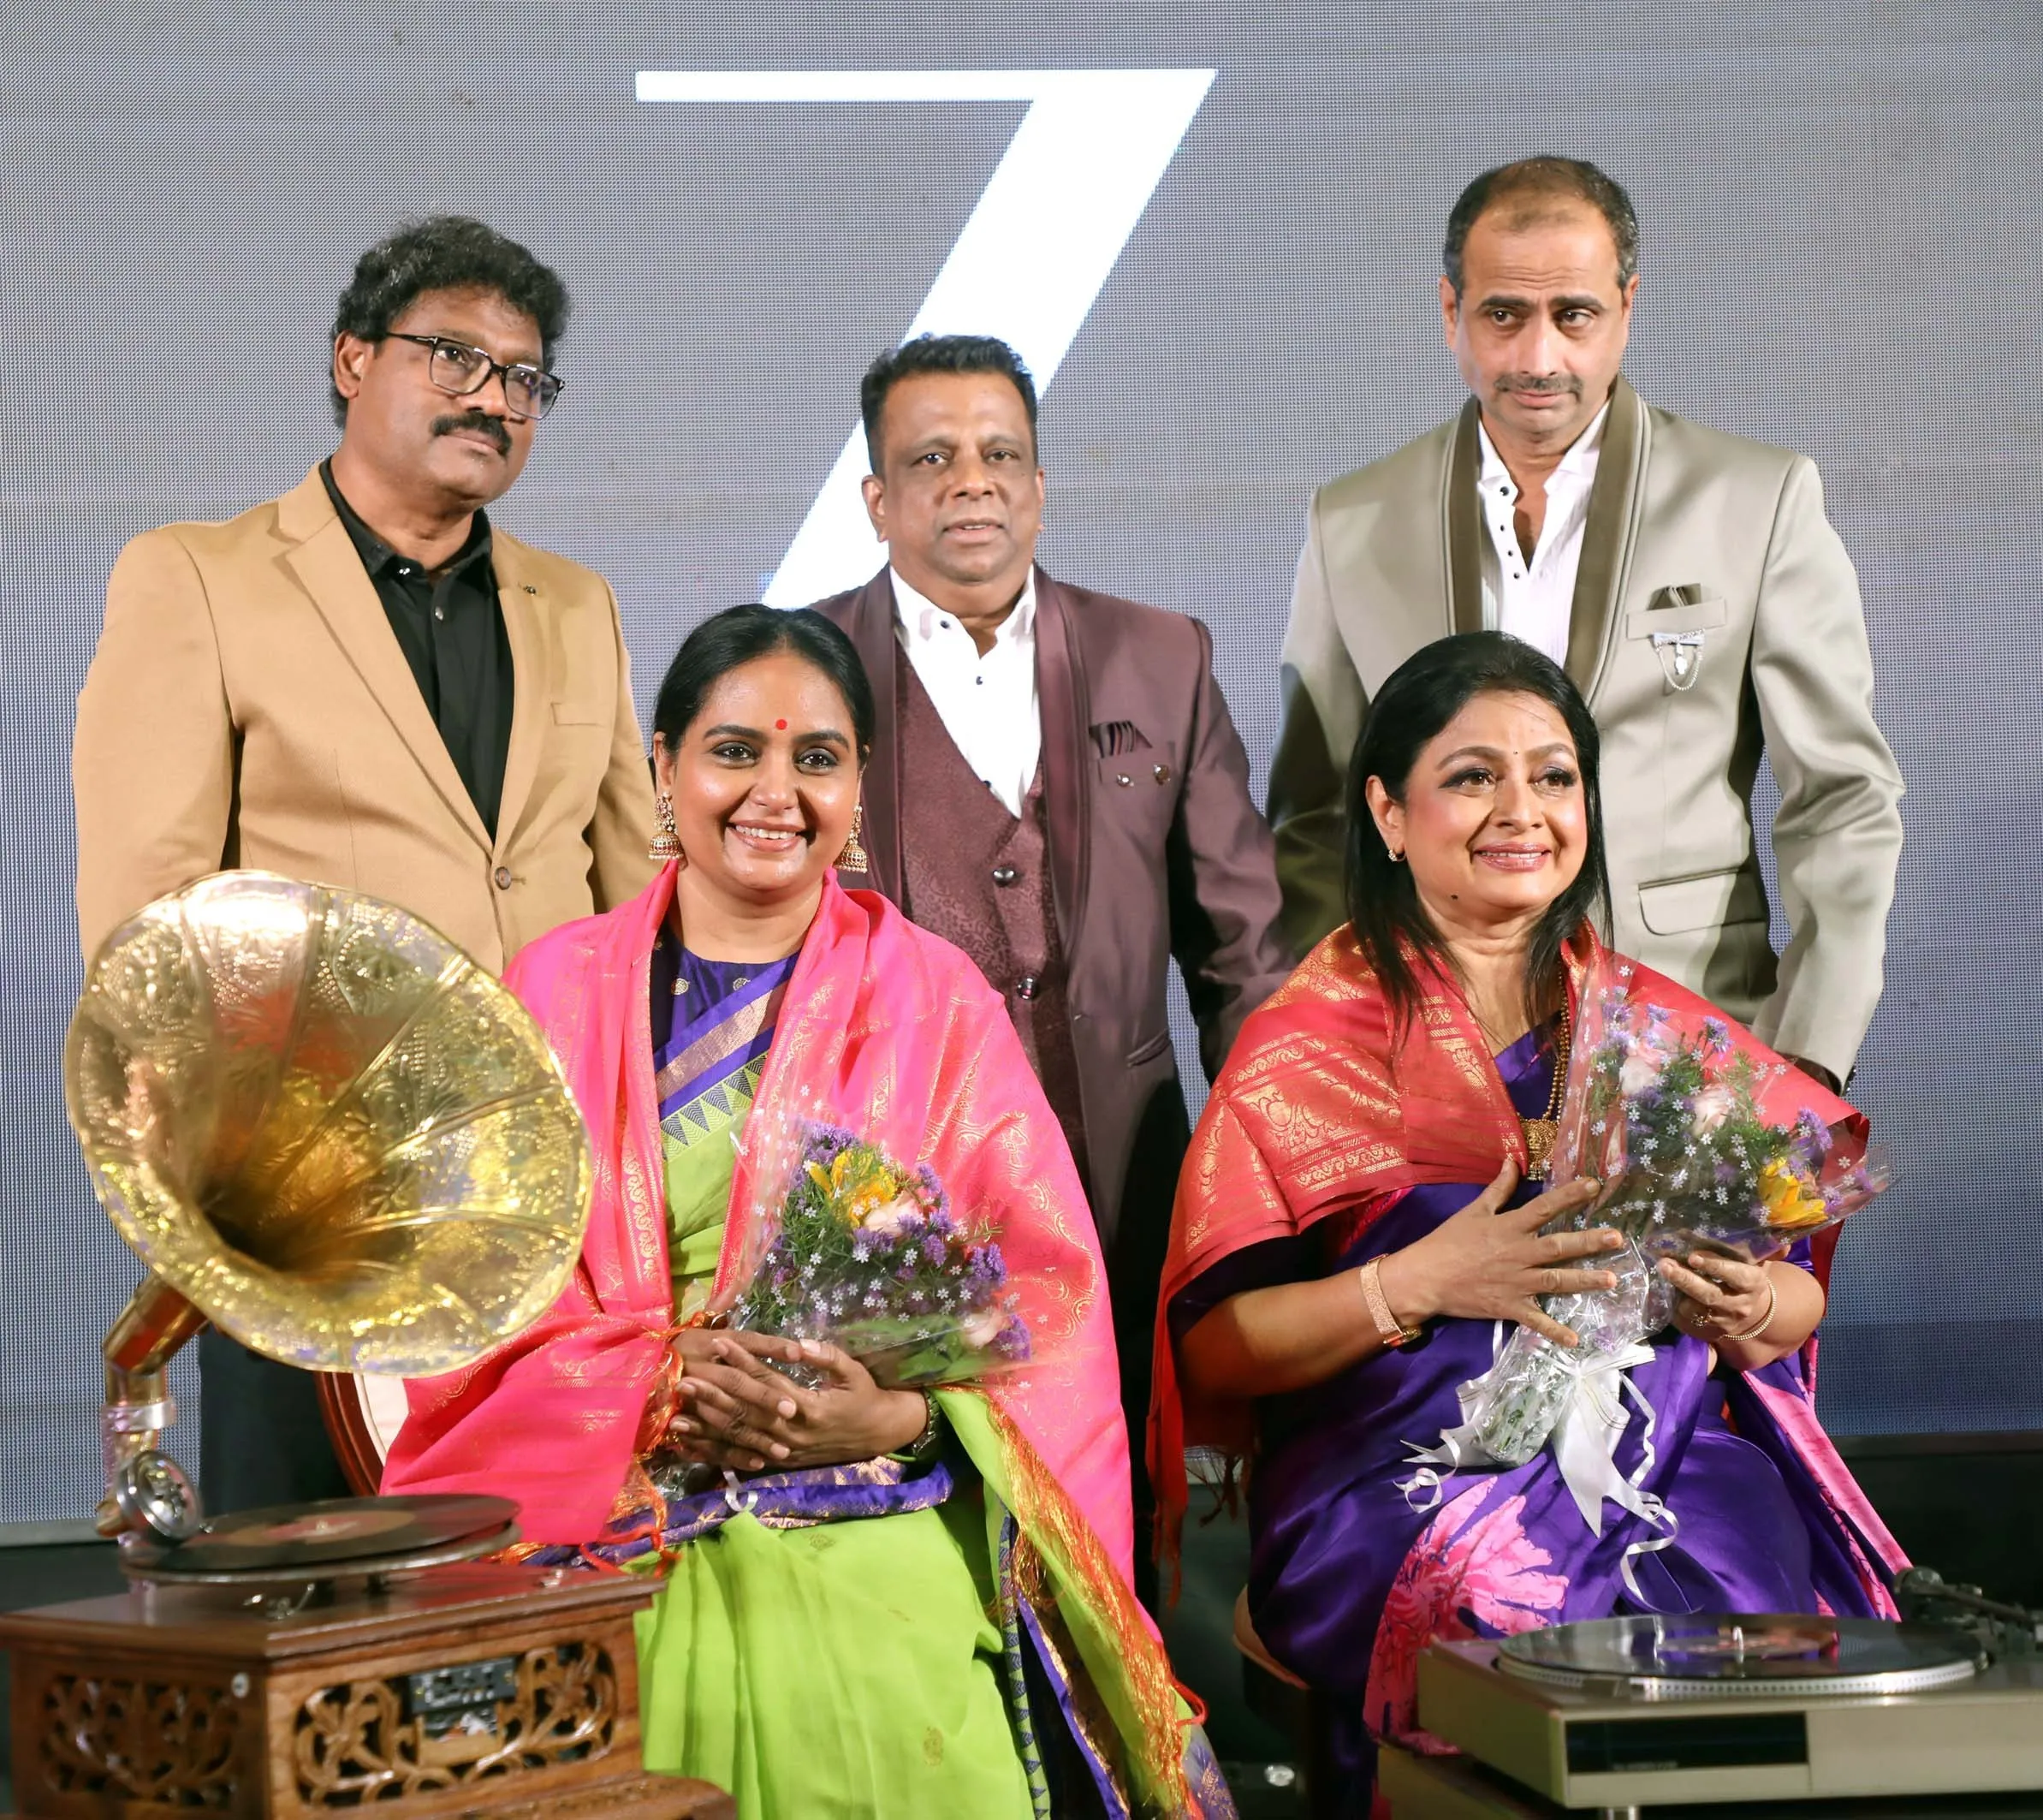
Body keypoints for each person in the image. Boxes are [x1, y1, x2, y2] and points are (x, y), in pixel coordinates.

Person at [383, 606, 1233, 1819]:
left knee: (883, 1671)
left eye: (815, 757)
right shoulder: (547, 992)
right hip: (608, 1501)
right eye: (734, 751)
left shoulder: (933, 999)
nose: (773, 790)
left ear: (857, 783)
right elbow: (464, 1293)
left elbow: (1044, 1304)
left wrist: (896, 1415)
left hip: (871, 1491)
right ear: (662, 764)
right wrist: (657, 1384)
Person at [1154, 633, 1905, 1812]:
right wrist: (1413, 1283)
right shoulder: (1305, 1046)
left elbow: (1789, 1299)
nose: (1522, 810)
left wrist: (1752, 1302)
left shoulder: (1662, 1035)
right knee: (1509, 1616)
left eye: (1553, 776)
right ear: (1386, 811)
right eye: (1470, 776)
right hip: (1390, 1471)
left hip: (1663, 1456)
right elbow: (1214, 1344)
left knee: (1731, 1614)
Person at [72, 215, 656, 1510]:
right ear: (350, 359)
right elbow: (146, 926)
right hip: (312, 1208)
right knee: (308, 1599)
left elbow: (637, 894)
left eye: (521, 377)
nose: (491, 398)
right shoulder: (199, 578)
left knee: (535, 1580)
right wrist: (208, 1193)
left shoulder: (581, 602)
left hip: (555, 1206)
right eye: (452, 357)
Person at [811, 333, 1292, 1595]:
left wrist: (1267, 1198)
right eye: (929, 458)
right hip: (880, 1197)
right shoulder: (797, 670)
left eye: (998, 454)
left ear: (1037, 482)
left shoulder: (1158, 655)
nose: (969, 482)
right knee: (913, 1530)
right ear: (877, 498)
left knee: (1114, 1524)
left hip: (1120, 1179)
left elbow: (1241, 955)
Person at [1268, 158, 1902, 1092]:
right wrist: (1347, 1039)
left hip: (1691, 1040)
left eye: (1572, 314)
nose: (1536, 357)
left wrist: (1805, 1054)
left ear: (1624, 307)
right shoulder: (1351, 520)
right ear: (1449, 312)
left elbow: (1841, 798)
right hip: (1432, 1062)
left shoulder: (1755, 499)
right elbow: (1313, 818)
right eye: (1501, 315)